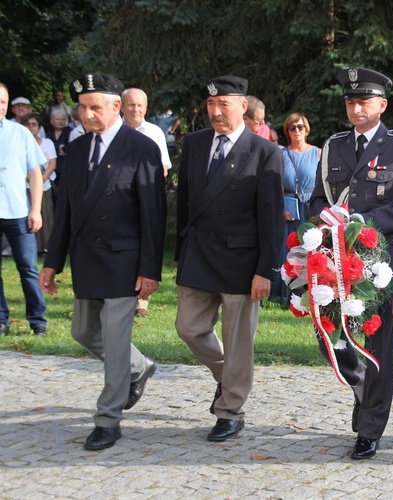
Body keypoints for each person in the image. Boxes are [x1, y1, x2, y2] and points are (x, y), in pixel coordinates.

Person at [39, 73, 166, 451]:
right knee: (82, 332)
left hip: (124, 260)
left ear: (116, 107)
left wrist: (149, 269)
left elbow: (153, 215)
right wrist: (53, 261)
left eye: (95, 107)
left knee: (114, 339)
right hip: (86, 258)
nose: (87, 114)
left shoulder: (140, 147)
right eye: (82, 107)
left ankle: (108, 420)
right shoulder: (76, 150)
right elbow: (65, 212)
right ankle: (139, 366)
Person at [309, 67, 393, 460]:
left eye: (363, 101)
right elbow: (315, 199)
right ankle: (362, 389)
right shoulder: (334, 144)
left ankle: (371, 427)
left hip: (381, 262)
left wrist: (364, 226)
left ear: (382, 105)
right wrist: (323, 218)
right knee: (330, 337)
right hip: (334, 262)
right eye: (350, 101)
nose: (356, 107)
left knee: (378, 344)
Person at [174, 75, 284, 442]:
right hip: (199, 256)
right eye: (210, 105)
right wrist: (182, 252)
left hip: (242, 260)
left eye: (224, 104)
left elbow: (271, 216)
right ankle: (230, 377)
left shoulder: (264, 150)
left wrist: (265, 270)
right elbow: (187, 204)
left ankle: (231, 410)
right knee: (188, 327)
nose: (216, 112)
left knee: (238, 342)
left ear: (243, 106)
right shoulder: (194, 143)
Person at [0, 83, 48, 337]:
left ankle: (38, 321)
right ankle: (0, 320)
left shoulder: (20, 133)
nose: (0, 106)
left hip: (18, 211)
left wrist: (36, 209)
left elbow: (35, 173)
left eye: (3, 102)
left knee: (28, 268)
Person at [121, 88, 172, 317]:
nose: (136, 109)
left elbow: (163, 167)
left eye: (140, 105)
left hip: (148, 197)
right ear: (122, 107)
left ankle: (142, 302)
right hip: (121, 200)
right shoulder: (115, 132)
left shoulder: (154, 132)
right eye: (132, 105)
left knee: (147, 244)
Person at [268, 112, 320, 306]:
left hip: (309, 209)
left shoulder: (318, 153)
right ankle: (284, 294)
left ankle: (307, 294)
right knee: (286, 251)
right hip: (288, 209)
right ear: (287, 131)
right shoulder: (280, 153)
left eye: (300, 127)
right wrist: (281, 207)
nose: (297, 131)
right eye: (292, 127)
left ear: (306, 129)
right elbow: (272, 184)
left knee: (308, 251)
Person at [20, 114, 57, 254]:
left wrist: (40, 179)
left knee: (47, 216)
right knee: (28, 216)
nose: (31, 127)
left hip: (45, 185)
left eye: (34, 124)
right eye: (28, 124)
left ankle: (47, 247)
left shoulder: (47, 143)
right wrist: (29, 178)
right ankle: (31, 248)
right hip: (26, 186)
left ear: (39, 127)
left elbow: (52, 164)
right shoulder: (19, 143)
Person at [47, 109, 71, 186]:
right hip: (51, 170)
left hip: (66, 170)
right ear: (51, 121)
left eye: (63, 119)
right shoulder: (48, 134)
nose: (60, 121)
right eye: (57, 119)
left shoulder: (70, 133)